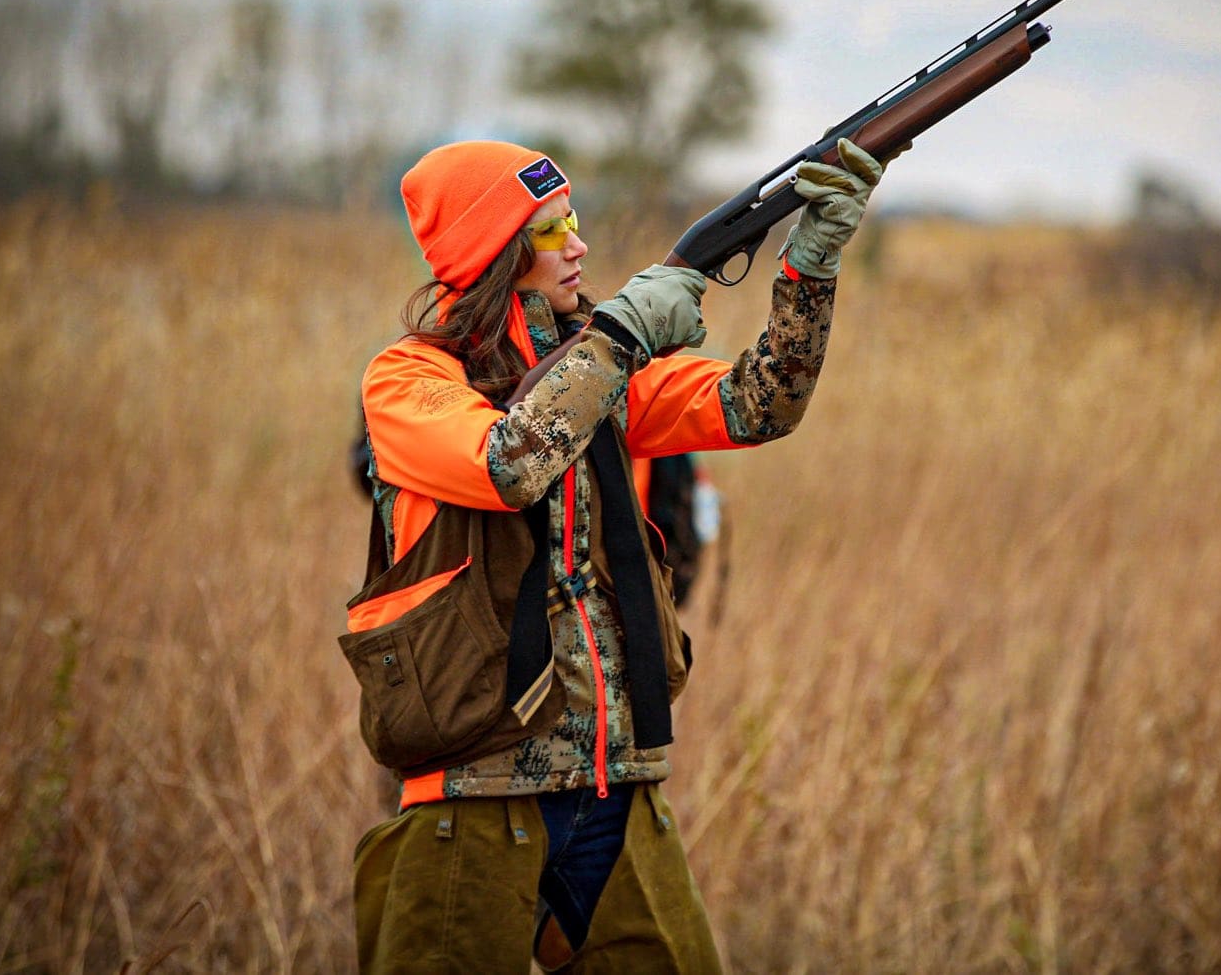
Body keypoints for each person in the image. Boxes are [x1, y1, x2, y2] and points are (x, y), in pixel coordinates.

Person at [342, 136, 890, 973]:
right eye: (551, 228)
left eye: (574, 222)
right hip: (472, 796)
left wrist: (807, 270)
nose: (579, 246)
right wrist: (623, 330)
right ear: (496, 252)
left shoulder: (602, 370)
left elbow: (759, 403)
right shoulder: (406, 381)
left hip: (614, 793)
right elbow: (510, 461)